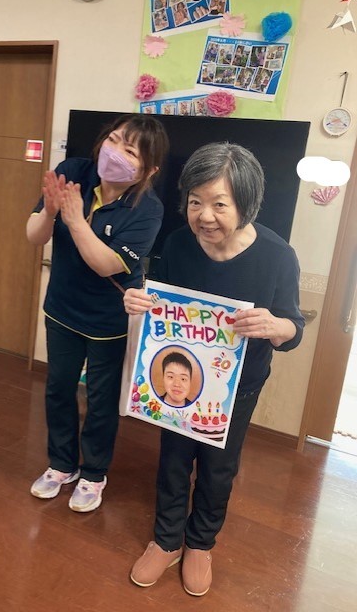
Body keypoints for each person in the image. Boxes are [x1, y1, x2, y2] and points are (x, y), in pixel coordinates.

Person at [124, 143, 304, 595]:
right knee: (172, 460)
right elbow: (162, 305)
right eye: (195, 202)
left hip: (237, 387)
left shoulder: (277, 256)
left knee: (218, 468)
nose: (204, 216)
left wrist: (275, 325)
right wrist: (139, 302)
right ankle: (166, 540)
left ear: (246, 203)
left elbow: (293, 330)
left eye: (219, 204)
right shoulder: (177, 244)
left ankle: (200, 543)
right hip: (178, 383)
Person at [27, 114, 169, 513]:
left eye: (130, 150)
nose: (115, 152)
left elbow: (106, 264)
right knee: (58, 388)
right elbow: (33, 236)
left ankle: (93, 474)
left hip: (110, 320)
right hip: (62, 308)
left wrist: (74, 220)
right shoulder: (74, 172)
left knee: (101, 400)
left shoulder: (148, 209)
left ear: (149, 170)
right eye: (114, 139)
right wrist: (50, 213)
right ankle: (61, 465)